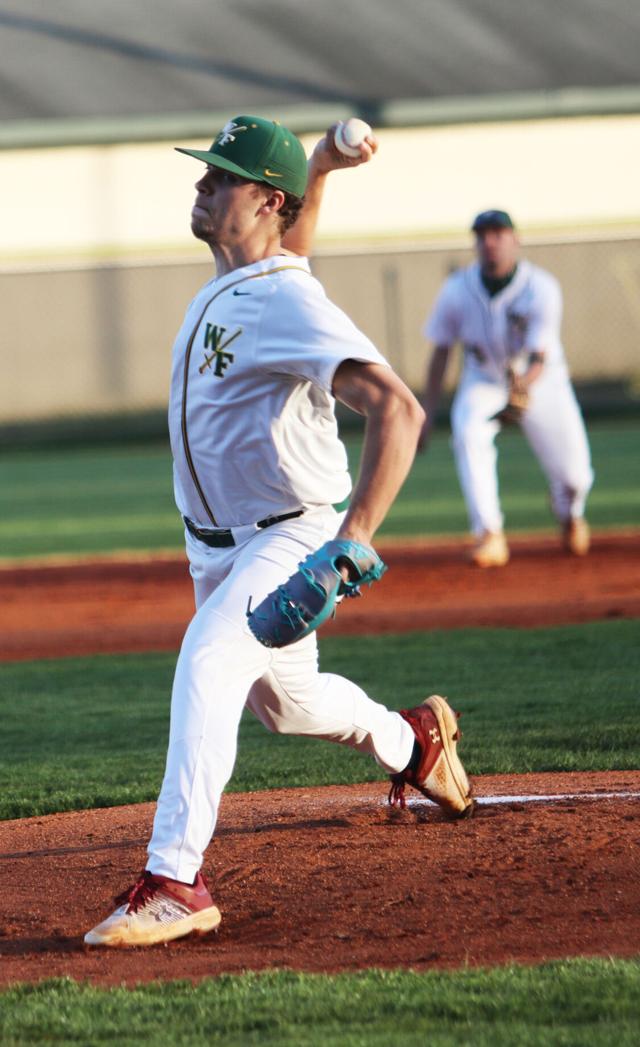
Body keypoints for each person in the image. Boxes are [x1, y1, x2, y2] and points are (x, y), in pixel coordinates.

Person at [84, 116, 473, 948]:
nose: (201, 187)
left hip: (288, 536)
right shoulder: (254, 279)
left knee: (210, 657)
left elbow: (399, 409)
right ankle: (415, 740)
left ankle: (174, 880)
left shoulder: (284, 297)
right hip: (216, 546)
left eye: (220, 177)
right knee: (286, 705)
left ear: (264, 201)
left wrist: (353, 539)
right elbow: (288, 244)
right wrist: (324, 164)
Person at [419, 209, 594, 567]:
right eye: (482, 235)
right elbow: (440, 351)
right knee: (468, 432)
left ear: (516, 239)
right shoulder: (456, 290)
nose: (490, 242)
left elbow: (539, 357)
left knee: (576, 476)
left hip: (542, 382)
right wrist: (426, 412)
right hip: (483, 379)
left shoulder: (540, 287)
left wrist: (523, 389)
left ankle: (569, 512)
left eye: (498, 233)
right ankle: (489, 533)